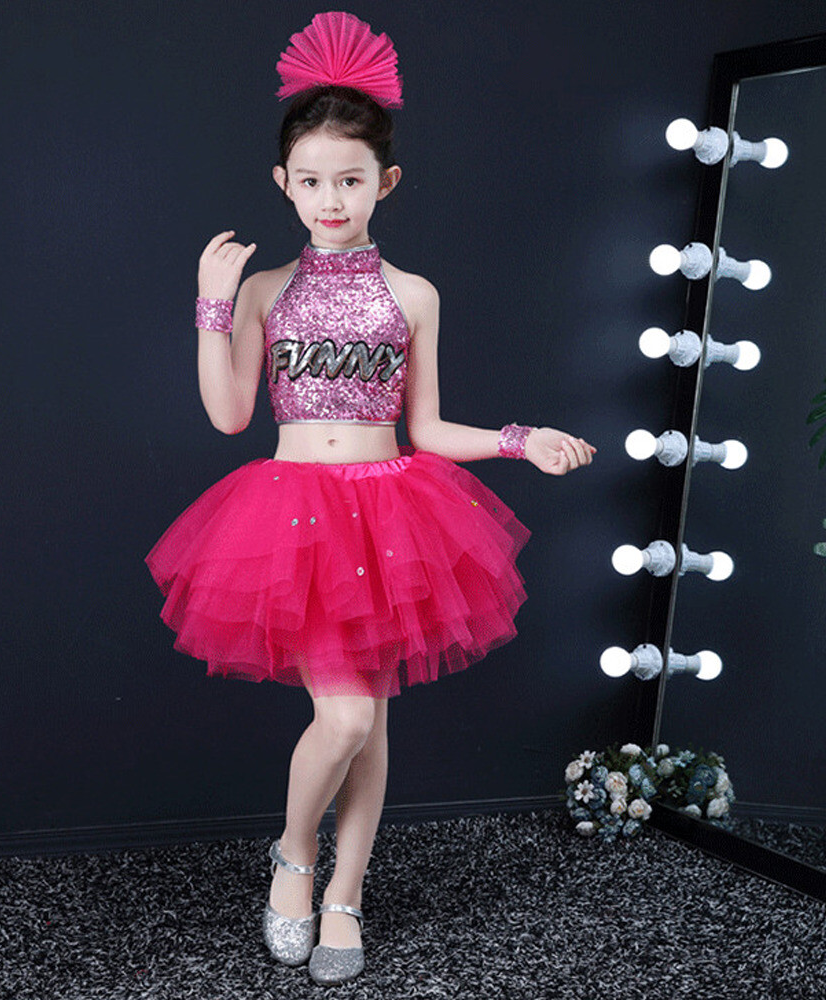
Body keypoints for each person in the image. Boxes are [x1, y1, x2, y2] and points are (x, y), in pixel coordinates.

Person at [145, 11, 595, 986]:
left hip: (391, 511)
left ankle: (344, 893)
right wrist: (211, 306)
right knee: (346, 719)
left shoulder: (413, 294)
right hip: (292, 515)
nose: (329, 198)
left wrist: (520, 440)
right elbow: (229, 414)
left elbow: (426, 426)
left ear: (384, 181)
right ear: (284, 183)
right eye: (311, 181)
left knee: (370, 721)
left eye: (349, 179)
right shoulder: (265, 290)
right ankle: (293, 857)